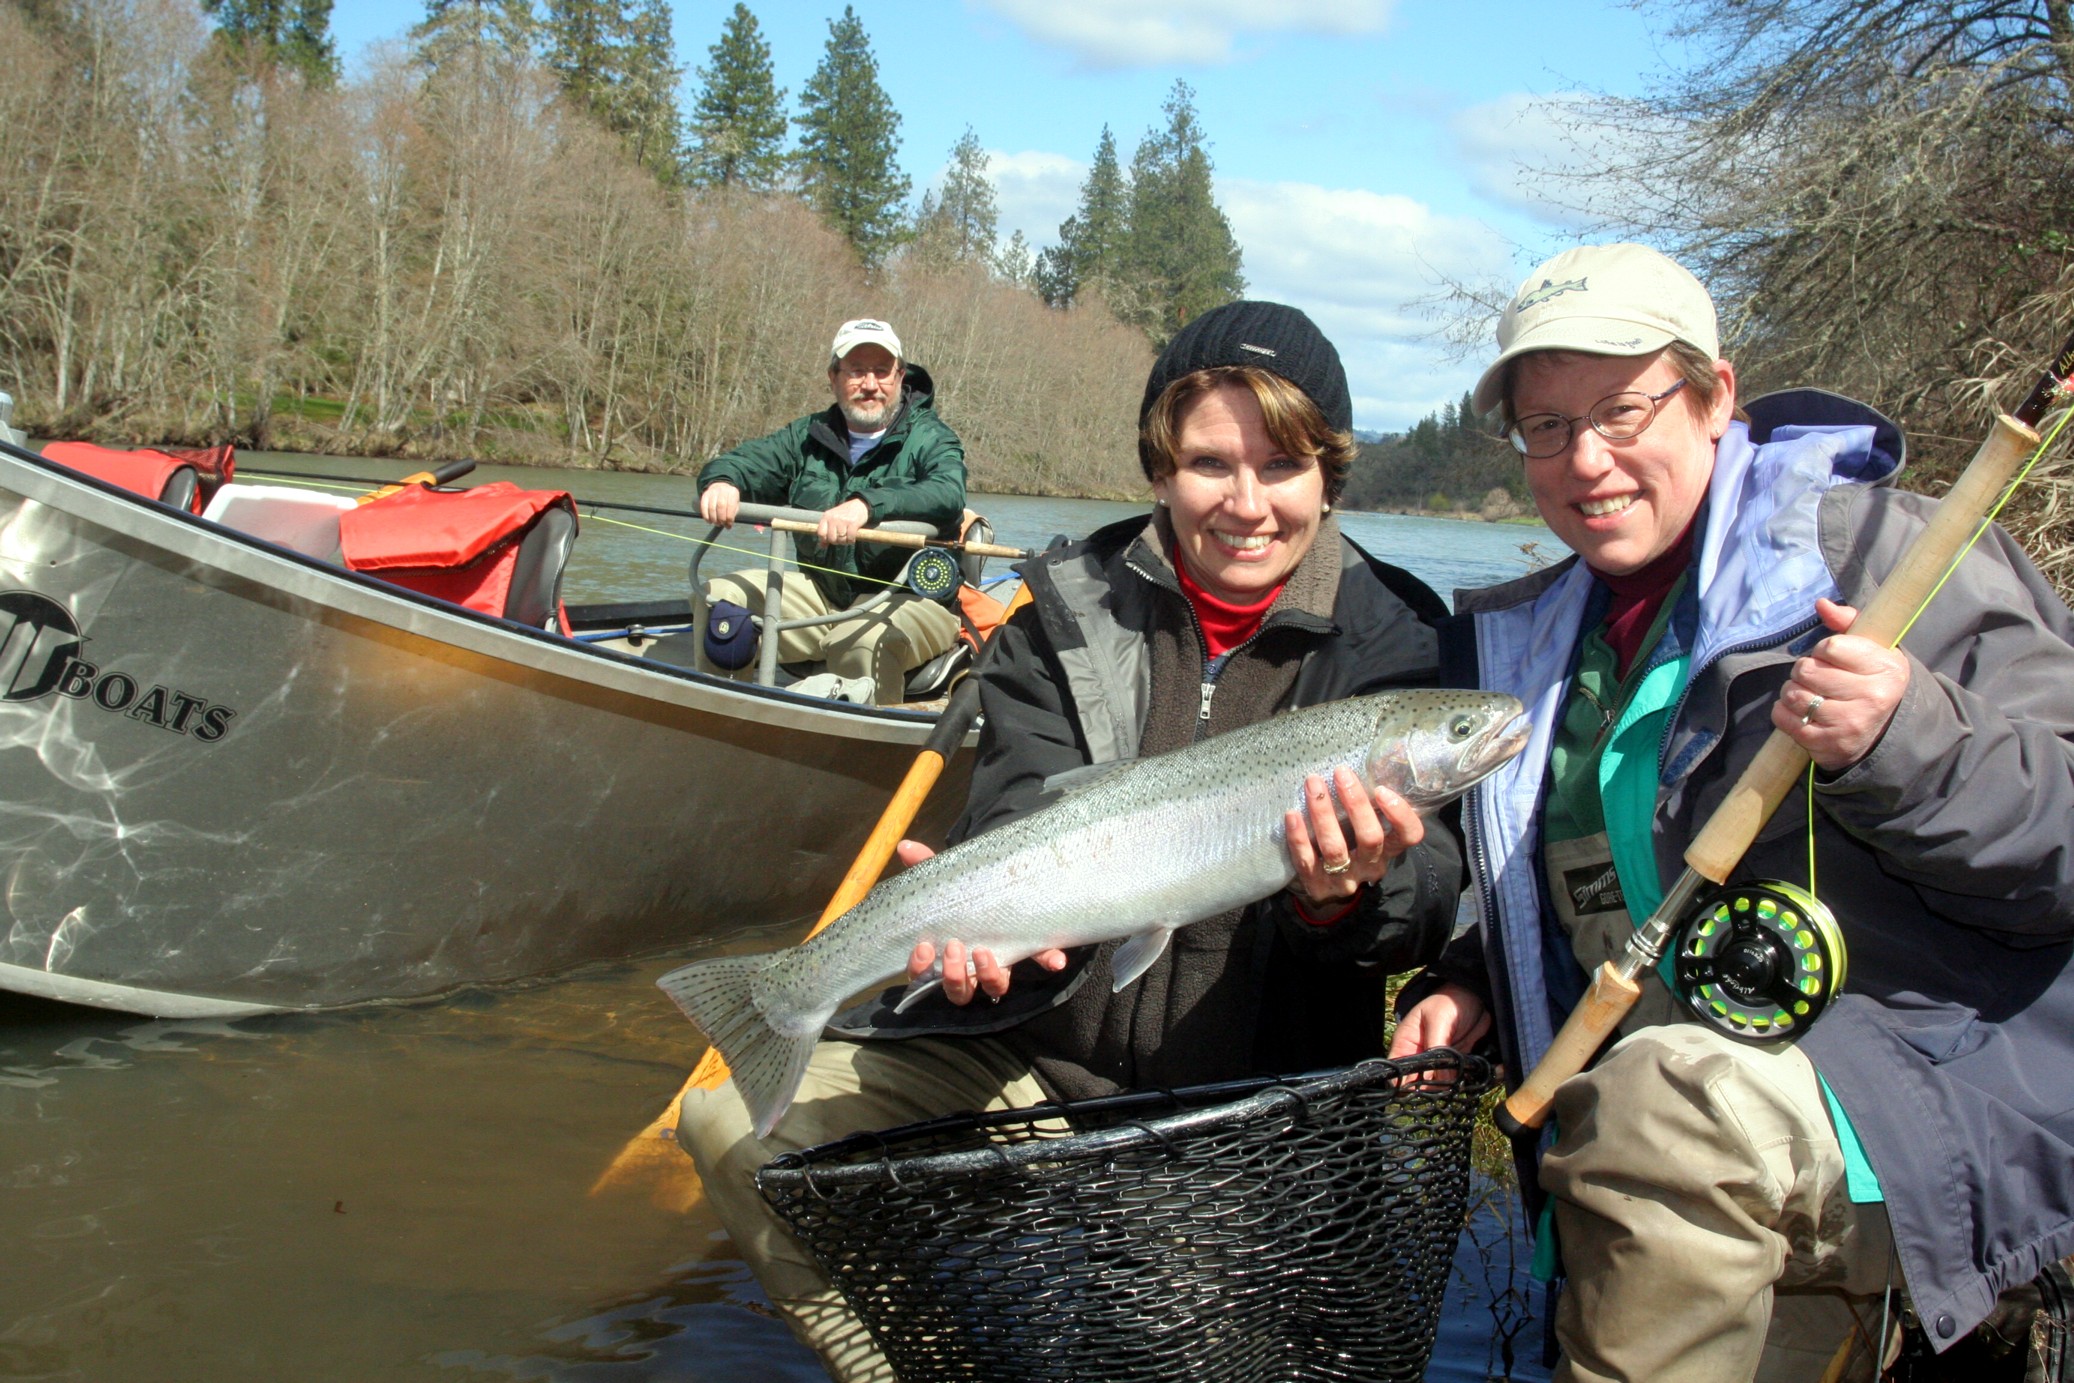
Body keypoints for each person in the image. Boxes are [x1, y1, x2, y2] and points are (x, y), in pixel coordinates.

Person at [680, 300, 1466, 1383]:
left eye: (1280, 466)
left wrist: (1344, 895)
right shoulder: (1061, 605)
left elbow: (1432, 897)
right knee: (730, 1122)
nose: (1245, 503)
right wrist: (969, 959)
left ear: (1329, 473)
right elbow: (1015, 821)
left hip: (1249, 1104)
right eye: (1207, 464)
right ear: (1158, 469)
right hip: (1032, 1054)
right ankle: (911, 1367)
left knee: (1179, 1347)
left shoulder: (1401, 639)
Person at [1390, 242, 2074, 1382]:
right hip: (1659, 1180)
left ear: (1716, 398)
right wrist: (1467, 978)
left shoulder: (1899, 554)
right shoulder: (1527, 640)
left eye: (1620, 410)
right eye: (1545, 427)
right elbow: (1574, 867)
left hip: (1921, 1108)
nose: (1586, 461)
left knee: (1665, 1114)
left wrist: (1911, 738)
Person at [694, 318, 965, 705]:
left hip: (914, 602)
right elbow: (745, 462)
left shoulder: (932, 437)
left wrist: (867, 505)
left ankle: (867, 752)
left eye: (881, 371)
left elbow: (948, 491)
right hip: (823, 593)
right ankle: (723, 719)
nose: (869, 384)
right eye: (856, 371)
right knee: (719, 600)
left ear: (900, 377)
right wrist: (721, 482)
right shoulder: (806, 435)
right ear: (833, 378)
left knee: (860, 641)